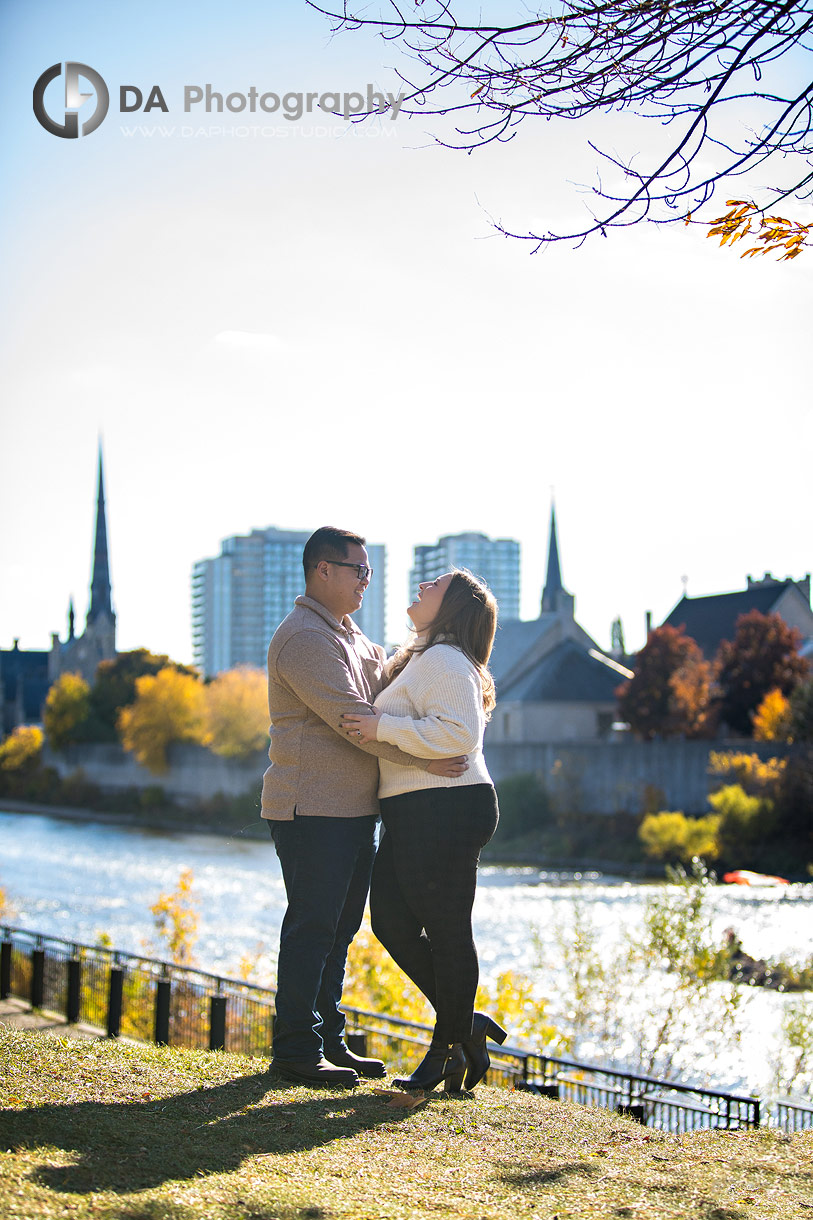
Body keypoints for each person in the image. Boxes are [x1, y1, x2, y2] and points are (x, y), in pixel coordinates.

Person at [262, 526, 468, 1088]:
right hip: (311, 807)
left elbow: (396, 690)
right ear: (323, 570)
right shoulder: (305, 639)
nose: (366, 581)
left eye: (369, 571)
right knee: (313, 926)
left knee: (340, 930)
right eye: (358, 570)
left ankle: (329, 1040)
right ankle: (296, 1049)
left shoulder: (353, 637)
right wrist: (428, 760)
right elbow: (356, 721)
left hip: (353, 810)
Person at [341, 569, 507, 1092]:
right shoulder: (420, 658)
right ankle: (464, 1024)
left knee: (447, 931)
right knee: (391, 923)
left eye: (434, 585)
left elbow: (459, 735)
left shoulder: (446, 659)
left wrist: (381, 726)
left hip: (447, 807)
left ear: (453, 605)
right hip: (413, 808)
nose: (422, 587)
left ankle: (445, 1050)